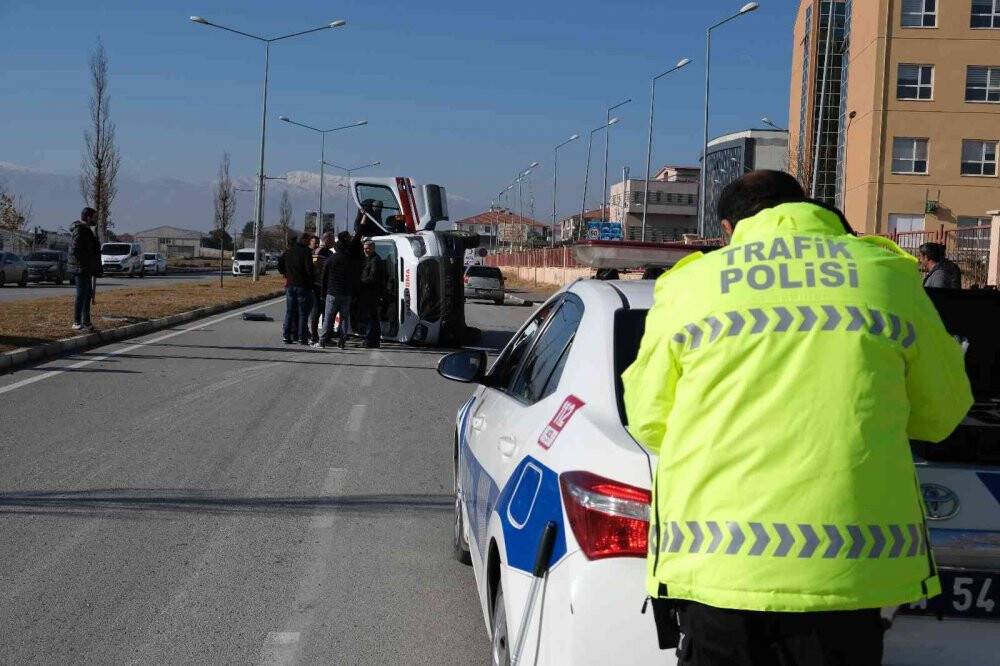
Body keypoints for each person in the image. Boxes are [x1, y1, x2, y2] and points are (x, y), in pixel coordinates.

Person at [622, 170, 972, 665]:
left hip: (719, 575)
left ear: (728, 228)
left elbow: (649, 420)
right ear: (805, 205)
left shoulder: (691, 286)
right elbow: (941, 416)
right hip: (848, 581)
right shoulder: (884, 276)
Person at [319, 230, 362, 349]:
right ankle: (342, 341)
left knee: (328, 317)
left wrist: (323, 293)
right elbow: (354, 276)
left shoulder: (331, 259)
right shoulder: (350, 260)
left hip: (332, 292)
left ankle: (322, 340)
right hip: (346, 293)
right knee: (344, 318)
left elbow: (324, 277)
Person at [277, 232, 315, 345]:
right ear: (303, 240)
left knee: (290, 311)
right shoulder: (306, 252)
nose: (309, 242)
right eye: (308, 240)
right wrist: (312, 278)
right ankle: (301, 337)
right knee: (303, 313)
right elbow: (309, 270)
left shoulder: (288, 252)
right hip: (302, 285)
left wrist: (286, 273)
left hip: (290, 285)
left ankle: (286, 335)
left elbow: (280, 265)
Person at [68, 207, 102, 331]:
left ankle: (86, 322)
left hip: (86, 268)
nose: (95, 220)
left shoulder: (87, 230)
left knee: (87, 295)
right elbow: (74, 250)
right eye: (93, 217)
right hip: (80, 268)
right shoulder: (80, 230)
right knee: (81, 294)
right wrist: (85, 261)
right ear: (88, 217)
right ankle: (77, 322)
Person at [309, 232, 335, 345]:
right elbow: (315, 269)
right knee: (317, 311)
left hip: (326, 286)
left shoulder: (329, 252)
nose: (334, 242)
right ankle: (314, 336)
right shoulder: (319, 252)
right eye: (332, 239)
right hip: (318, 286)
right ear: (326, 240)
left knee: (326, 312)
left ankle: (326, 336)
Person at [358, 239, 385, 348]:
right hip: (368, 292)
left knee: (370, 317)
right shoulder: (367, 258)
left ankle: (369, 340)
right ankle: (374, 341)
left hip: (371, 292)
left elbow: (372, 277)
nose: (366, 250)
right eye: (364, 248)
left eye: (368, 248)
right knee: (373, 317)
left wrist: (360, 282)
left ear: (373, 248)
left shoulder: (375, 260)